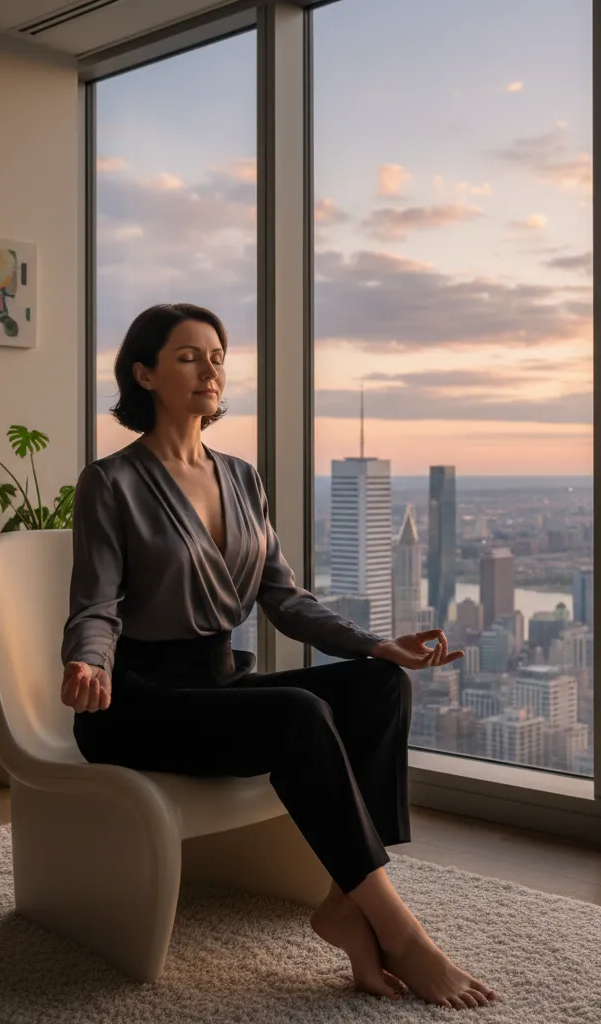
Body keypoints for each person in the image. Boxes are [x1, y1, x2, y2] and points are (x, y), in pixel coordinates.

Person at [59, 303, 499, 1010]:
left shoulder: (242, 477)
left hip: (218, 683)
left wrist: (373, 644)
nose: (211, 369)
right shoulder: (109, 483)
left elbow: (284, 596)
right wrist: (90, 664)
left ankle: (344, 911)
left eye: (217, 356)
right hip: (134, 700)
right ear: (144, 375)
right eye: (187, 357)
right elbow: (97, 605)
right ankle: (402, 933)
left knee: (380, 685)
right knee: (296, 712)